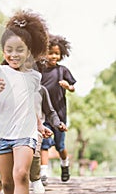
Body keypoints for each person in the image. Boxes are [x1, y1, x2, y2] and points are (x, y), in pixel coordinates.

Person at [0, 10, 48, 194]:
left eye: (20, 50)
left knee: (21, 174)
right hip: (3, 133)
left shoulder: (34, 77)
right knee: (6, 184)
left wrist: (39, 125)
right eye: (9, 50)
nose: (14, 55)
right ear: (3, 51)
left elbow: (31, 104)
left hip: (25, 133)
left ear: (29, 51)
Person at [38, 34, 76, 185]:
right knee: (45, 144)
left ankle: (65, 164)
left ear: (61, 55)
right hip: (43, 113)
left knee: (60, 145)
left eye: (56, 53)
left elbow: (73, 87)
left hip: (59, 113)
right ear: (44, 53)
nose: (53, 56)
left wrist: (68, 86)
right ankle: (43, 174)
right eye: (50, 52)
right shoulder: (40, 70)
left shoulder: (63, 71)